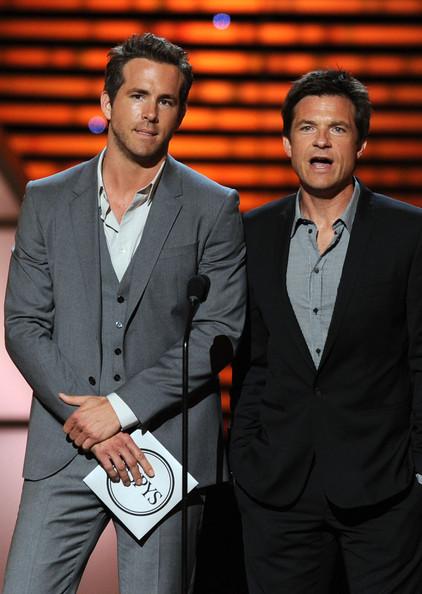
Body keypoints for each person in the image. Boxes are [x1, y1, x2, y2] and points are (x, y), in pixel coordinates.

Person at [3, 32, 245, 594]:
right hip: (64, 447)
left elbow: (220, 331)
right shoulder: (46, 198)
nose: (151, 113)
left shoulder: (214, 206)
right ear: (108, 103)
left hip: (163, 451)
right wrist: (93, 425)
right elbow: (24, 324)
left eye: (166, 100)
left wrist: (121, 409)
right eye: (138, 96)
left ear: (180, 110)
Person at [229, 69, 422, 593]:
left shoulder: (408, 233)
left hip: (383, 488)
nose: (320, 140)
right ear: (286, 141)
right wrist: (243, 454)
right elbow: (253, 359)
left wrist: (418, 472)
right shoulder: (251, 232)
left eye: (336, 129)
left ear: (359, 143)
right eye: (307, 127)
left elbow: (420, 359)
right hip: (276, 486)